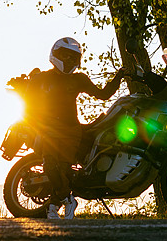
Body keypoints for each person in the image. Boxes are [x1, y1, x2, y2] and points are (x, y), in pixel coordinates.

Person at [8, 37, 126, 219]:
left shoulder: (79, 79)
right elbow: (29, 96)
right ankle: (68, 200)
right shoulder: (43, 77)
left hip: (71, 130)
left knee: (62, 170)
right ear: (55, 54)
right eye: (66, 55)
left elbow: (103, 95)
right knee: (49, 166)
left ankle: (54, 208)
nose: (70, 60)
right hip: (49, 130)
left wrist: (119, 76)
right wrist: (21, 84)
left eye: (73, 57)